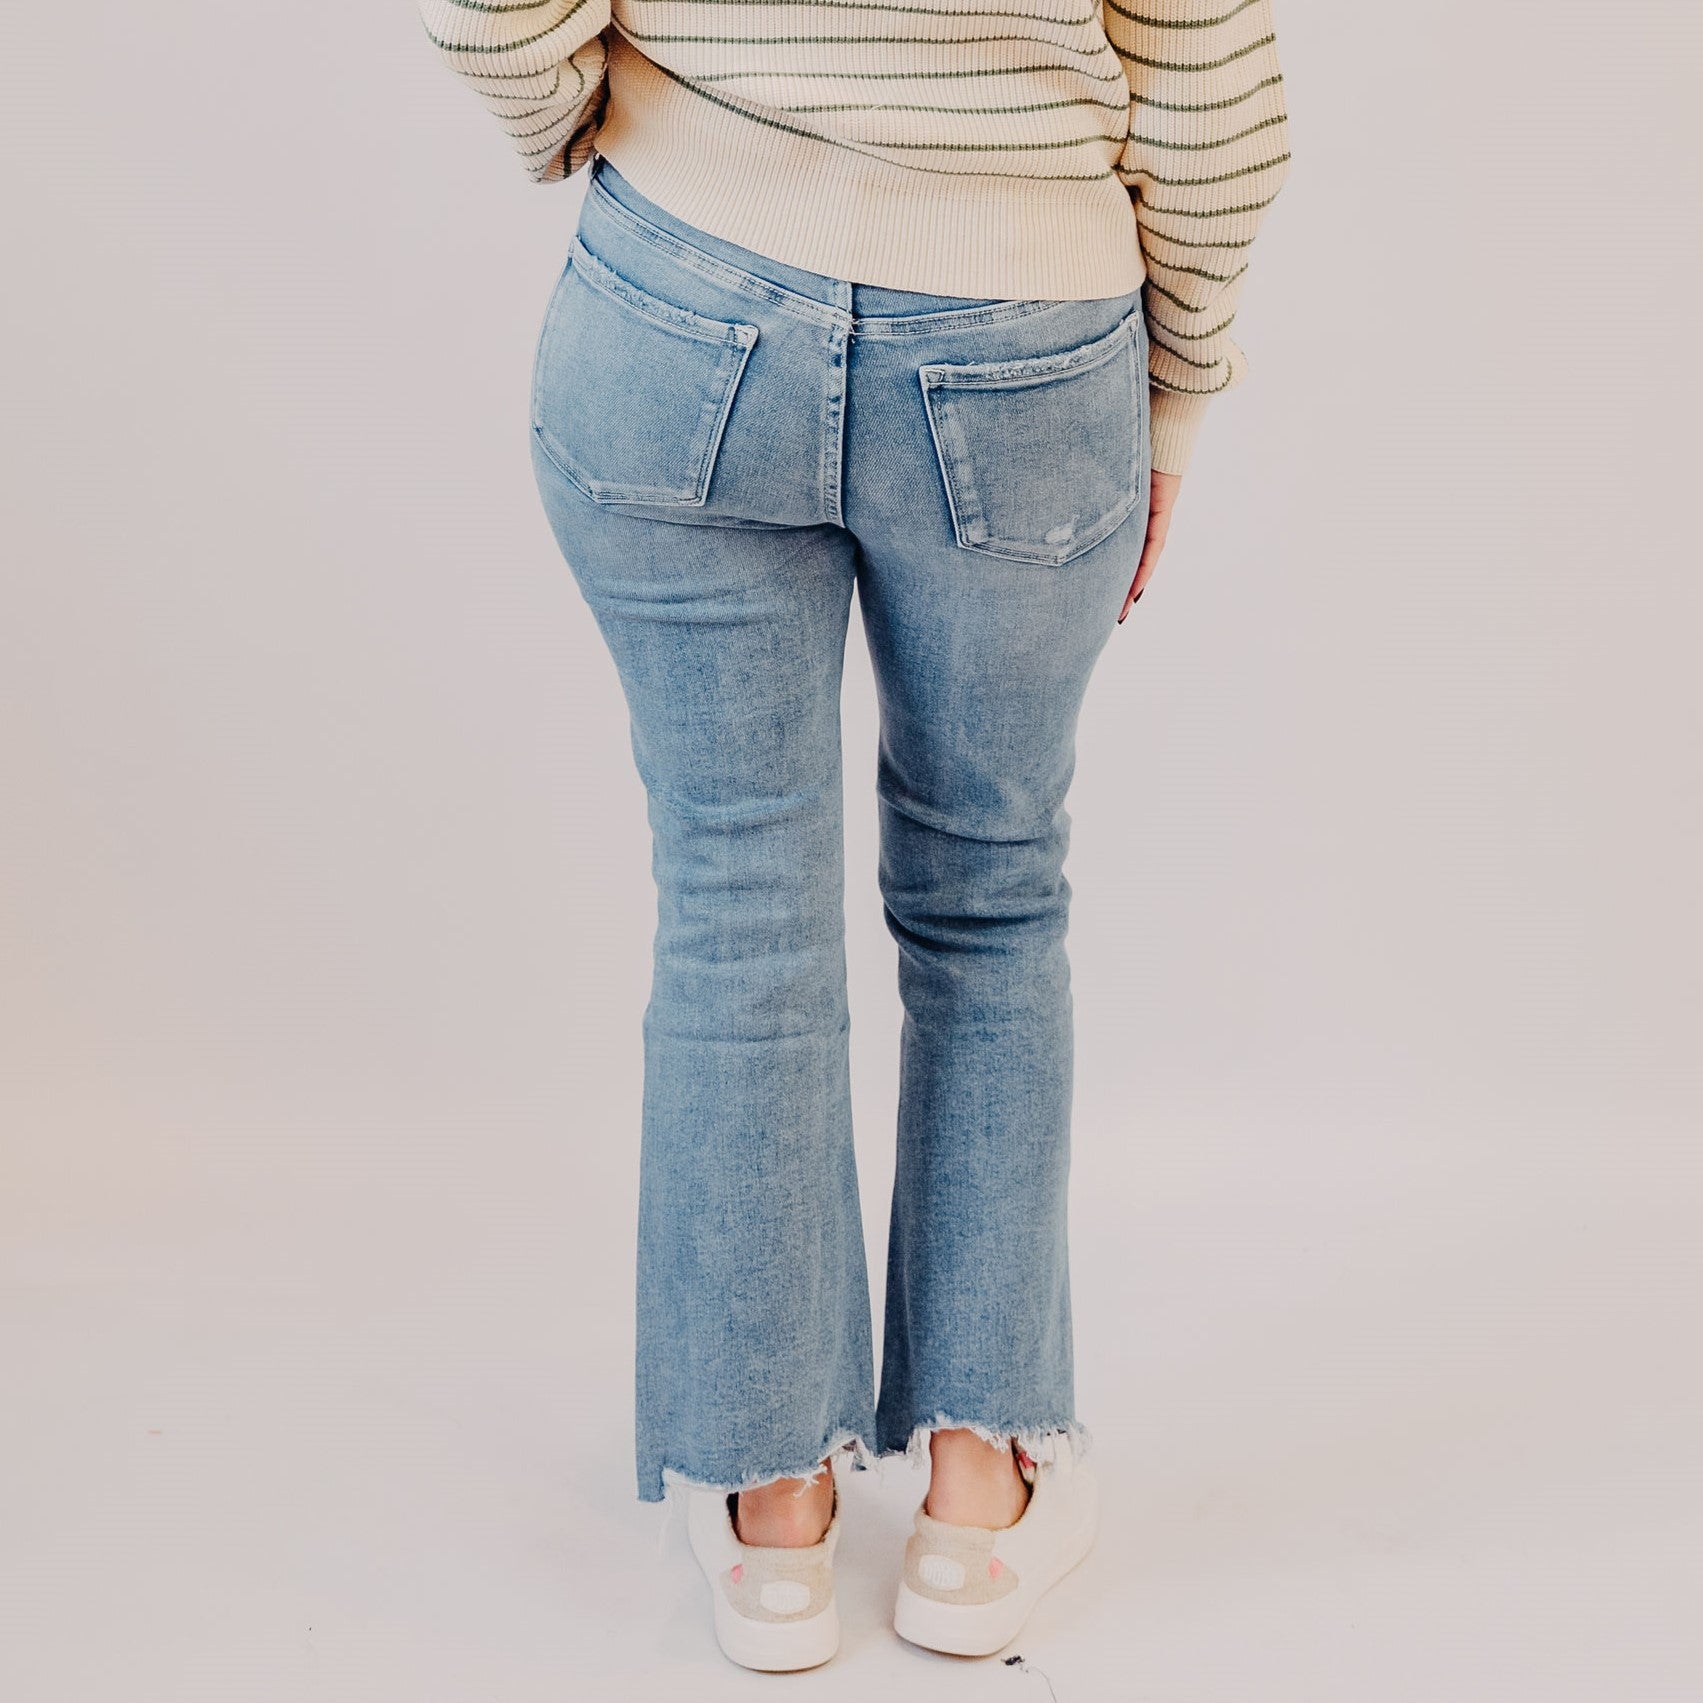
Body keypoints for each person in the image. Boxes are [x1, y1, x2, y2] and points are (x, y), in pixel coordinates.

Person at [416, 0, 1292, 1670]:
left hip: (680, 292)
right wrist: (1176, 393)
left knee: (736, 897)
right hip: (1026, 332)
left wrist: (583, 119)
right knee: (991, 892)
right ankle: (978, 1499)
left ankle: (772, 1520)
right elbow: (1211, 84)